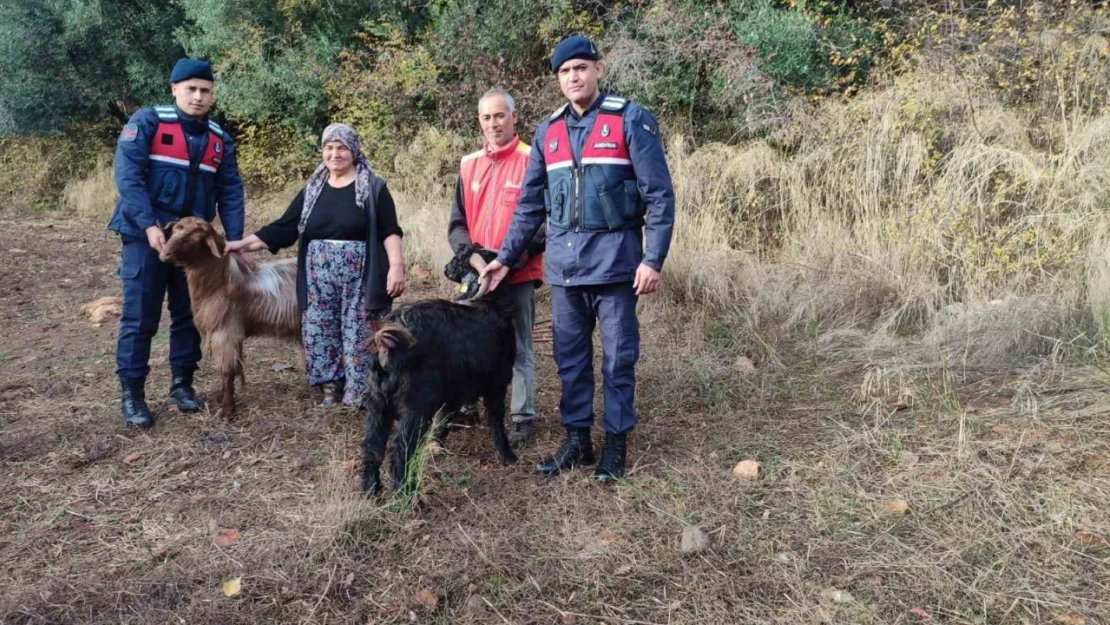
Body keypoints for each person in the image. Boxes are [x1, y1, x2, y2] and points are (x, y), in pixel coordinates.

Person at [482, 36, 676, 483]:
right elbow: (529, 206)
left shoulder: (630, 119)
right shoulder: (547, 131)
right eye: (565, 71)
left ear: (598, 70)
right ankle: (577, 440)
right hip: (565, 272)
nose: (573, 76)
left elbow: (660, 197)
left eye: (581, 68)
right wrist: (505, 259)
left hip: (616, 267)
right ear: (557, 80)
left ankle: (615, 444)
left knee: (617, 359)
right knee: (569, 360)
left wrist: (653, 258)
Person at [225, 124, 406, 407]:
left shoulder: (373, 187)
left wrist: (396, 266)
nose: (335, 154)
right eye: (329, 148)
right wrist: (242, 244)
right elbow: (284, 228)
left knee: (359, 329)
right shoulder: (313, 189)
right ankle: (331, 385)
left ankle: (360, 393)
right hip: (317, 272)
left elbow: (390, 230)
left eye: (342, 148)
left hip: (361, 271)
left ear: (354, 151)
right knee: (320, 327)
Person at [108, 58, 246, 428]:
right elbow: (128, 177)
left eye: (205, 90)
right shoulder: (148, 123)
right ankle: (133, 393)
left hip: (196, 245)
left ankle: (182, 384)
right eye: (191, 89)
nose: (198, 97)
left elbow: (230, 189)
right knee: (141, 315)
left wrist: (233, 237)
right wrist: (149, 225)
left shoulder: (219, 138)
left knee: (188, 314)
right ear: (174, 89)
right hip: (145, 236)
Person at [448, 88, 546, 447]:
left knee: (518, 346)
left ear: (514, 117)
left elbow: (543, 225)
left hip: (517, 274)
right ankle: (466, 405)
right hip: (475, 274)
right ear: (480, 121)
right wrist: (474, 259)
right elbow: (457, 225)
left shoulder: (533, 159)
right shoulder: (469, 163)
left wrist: (506, 260)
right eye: (487, 117)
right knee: (466, 343)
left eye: (500, 115)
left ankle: (522, 416)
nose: (493, 123)